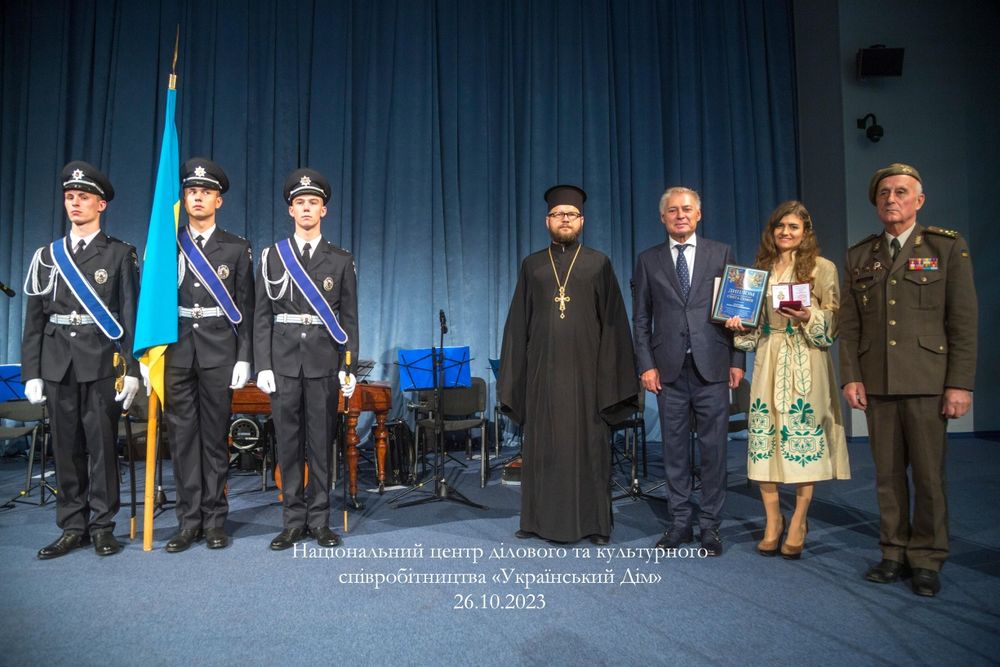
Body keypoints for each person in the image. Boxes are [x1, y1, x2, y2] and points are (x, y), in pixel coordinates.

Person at [840, 163, 977, 597]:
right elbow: (851, 326)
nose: (891, 199)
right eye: (883, 193)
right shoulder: (860, 255)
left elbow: (963, 322)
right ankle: (893, 551)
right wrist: (851, 378)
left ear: (919, 201)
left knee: (929, 476)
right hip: (877, 381)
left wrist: (960, 383)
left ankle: (927, 558)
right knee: (887, 475)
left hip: (927, 380)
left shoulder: (945, 248)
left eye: (901, 192)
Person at [499, 184, 638, 545]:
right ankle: (536, 521)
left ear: (582, 221)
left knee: (589, 449)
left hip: (588, 377)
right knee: (542, 448)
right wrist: (516, 378)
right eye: (558, 214)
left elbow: (614, 324)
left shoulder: (598, 263)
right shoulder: (533, 265)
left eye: (571, 214)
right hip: (543, 375)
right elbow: (517, 326)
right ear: (547, 221)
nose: (565, 219)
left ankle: (595, 524)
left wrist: (611, 379)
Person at [21, 161, 140, 559]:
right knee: (66, 449)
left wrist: (133, 370)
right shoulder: (46, 256)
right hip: (57, 363)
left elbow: (129, 317)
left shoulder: (121, 254)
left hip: (101, 362)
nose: (75, 203)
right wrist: (31, 372)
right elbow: (34, 319)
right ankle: (73, 526)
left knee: (103, 447)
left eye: (84, 197)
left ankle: (103, 525)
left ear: (101, 204)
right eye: (70, 197)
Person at [724, 201, 850, 559]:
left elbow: (834, 322)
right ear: (772, 231)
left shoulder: (822, 269)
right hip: (769, 356)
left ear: (805, 232)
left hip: (806, 360)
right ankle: (772, 520)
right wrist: (738, 325)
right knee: (766, 439)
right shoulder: (759, 270)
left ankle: (799, 520)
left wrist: (809, 314)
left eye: (794, 227)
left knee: (799, 440)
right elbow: (751, 325)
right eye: (780, 227)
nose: (785, 233)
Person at [633, 186, 745, 556]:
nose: (680, 215)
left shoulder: (720, 252)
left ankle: (711, 526)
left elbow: (738, 312)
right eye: (672, 211)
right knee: (674, 452)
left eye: (687, 209)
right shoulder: (648, 259)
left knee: (714, 451)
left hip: (712, 366)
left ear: (698, 215)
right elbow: (641, 318)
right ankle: (680, 522)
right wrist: (646, 365)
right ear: (662, 218)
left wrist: (737, 360)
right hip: (667, 372)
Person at [254, 168, 358, 550]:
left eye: (313, 202)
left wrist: (348, 366)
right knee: (288, 444)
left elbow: (349, 319)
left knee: (320, 444)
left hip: (323, 363)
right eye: (300, 203)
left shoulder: (341, 260)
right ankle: (292, 520)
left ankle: (320, 520)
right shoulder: (271, 257)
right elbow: (262, 315)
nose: (307, 209)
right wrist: (262, 364)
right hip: (282, 364)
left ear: (323, 210)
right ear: (291, 210)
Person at [161, 158, 254, 553]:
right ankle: (188, 521)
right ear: (184, 198)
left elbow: (247, 308)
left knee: (215, 440)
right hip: (177, 352)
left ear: (218, 200)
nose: (197, 197)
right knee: (182, 441)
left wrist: (244, 358)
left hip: (219, 353)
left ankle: (215, 519)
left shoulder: (237, 248)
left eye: (205, 192)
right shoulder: (167, 243)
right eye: (191, 191)